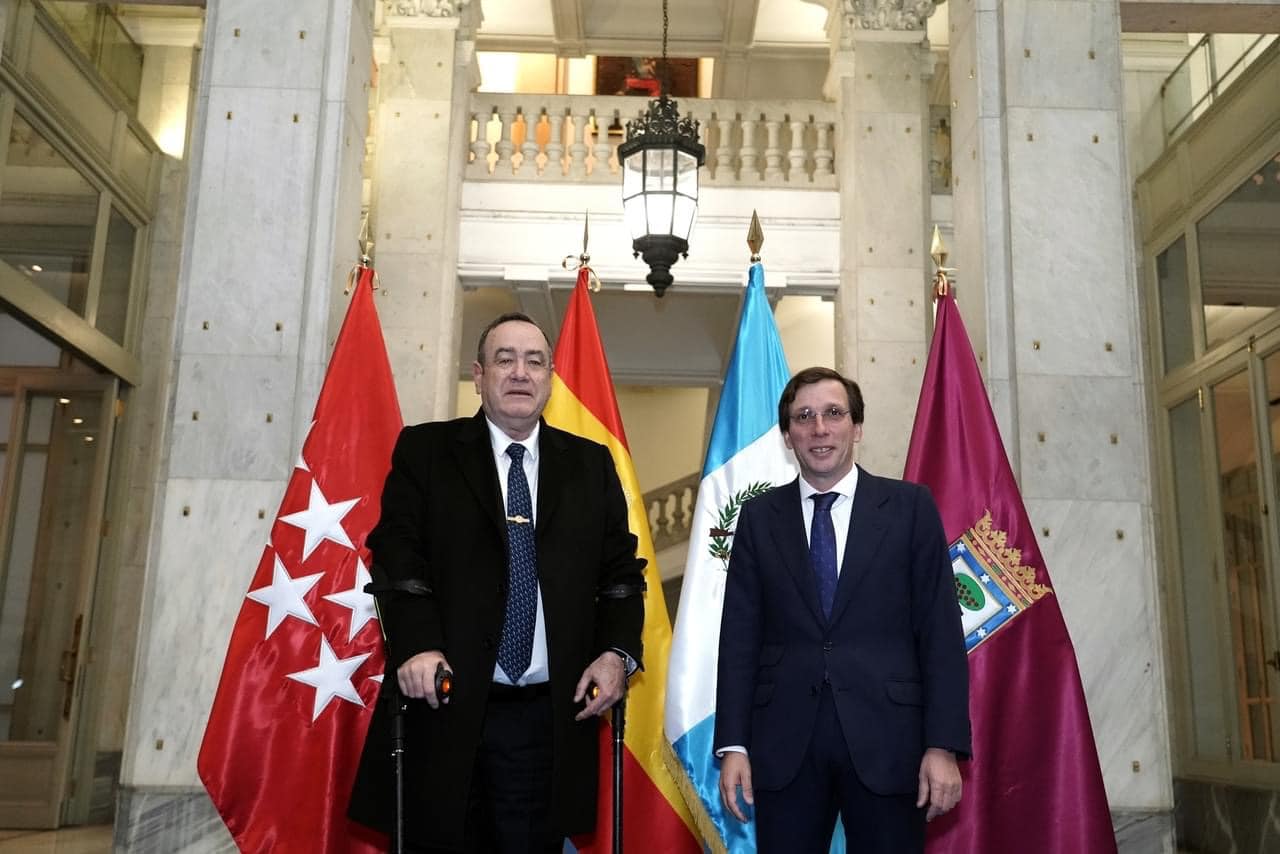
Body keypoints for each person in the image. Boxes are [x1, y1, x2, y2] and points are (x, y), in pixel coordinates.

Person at [349, 312, 646, 853]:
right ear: (479, 374)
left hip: (546, 723)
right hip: (444, 711)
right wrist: (417, 645)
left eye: (534, 361)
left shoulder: (590, 465)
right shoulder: (426, 451)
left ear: (550, 378)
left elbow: (621, 576)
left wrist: (615, 655)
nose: (520, 373)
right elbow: (397, 556)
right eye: (505, 360)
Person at [714, 366, 970, 853]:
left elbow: (940, 634)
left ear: (857, 428)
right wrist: (734, 745)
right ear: (788, 436)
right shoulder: (759, 517)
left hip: (891, 743)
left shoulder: (910, 508)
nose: (819, 428)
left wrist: (943, 745)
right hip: (784, 745)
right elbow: (739, 637)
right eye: (804, 417)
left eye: (834, 414)